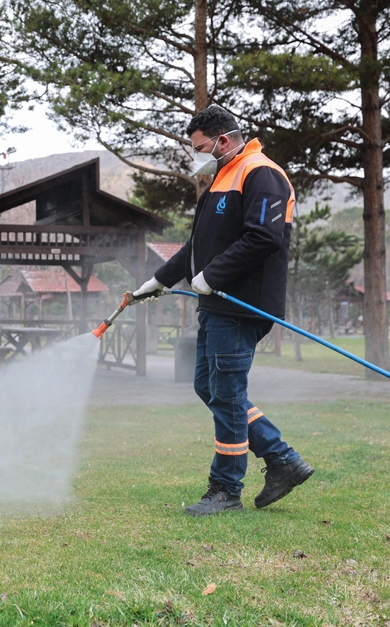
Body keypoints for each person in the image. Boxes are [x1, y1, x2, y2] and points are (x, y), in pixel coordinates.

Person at [134, 105, 313, 516]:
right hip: (217, 304)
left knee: (227, 394)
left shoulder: (260, 172)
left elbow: (264, 237)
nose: (198, 155)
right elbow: (197, 247)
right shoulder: (224, 176)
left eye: (201, 147)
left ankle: (225, 489)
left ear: (224, 140)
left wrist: (212, 276)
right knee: (210, 387)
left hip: (242, 304)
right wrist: (160, 279)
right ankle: (283, 459)